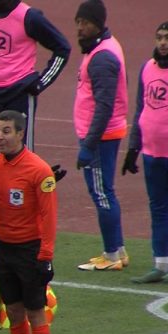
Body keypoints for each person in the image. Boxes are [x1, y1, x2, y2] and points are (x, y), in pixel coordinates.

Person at [0, 110, 57, 334]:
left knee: (35, 313)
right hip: (3, 249)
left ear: (20, 134)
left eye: (6, 131)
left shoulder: (39, 170)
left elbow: (49, 215)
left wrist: (46, 254)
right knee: (14, 312)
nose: (0, 137)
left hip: (30, 251)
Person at [0, 0, 71, 155]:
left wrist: (40, 84)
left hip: (18, 94)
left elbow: (62, 48)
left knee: (20, 156)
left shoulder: (29, 17)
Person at [73, 0, 130, 271]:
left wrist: (89, 143)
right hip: (104, 134)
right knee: (106, 190)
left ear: (98, 23)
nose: (80, 28)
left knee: (102, 193)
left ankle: (111, 255)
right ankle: (118, 250)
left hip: (100, 137)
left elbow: (105, 105)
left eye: (85, 23)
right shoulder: (104, 47)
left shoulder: (102, 57)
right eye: (78, 23)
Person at [123, 22, 168, 283]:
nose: (163, 43)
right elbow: (141, 109)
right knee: (159, 208)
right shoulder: (147, 69)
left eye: (167, 38)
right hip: (152, 154)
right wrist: (133, 148)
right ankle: (160, 264)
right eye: (160, 37)